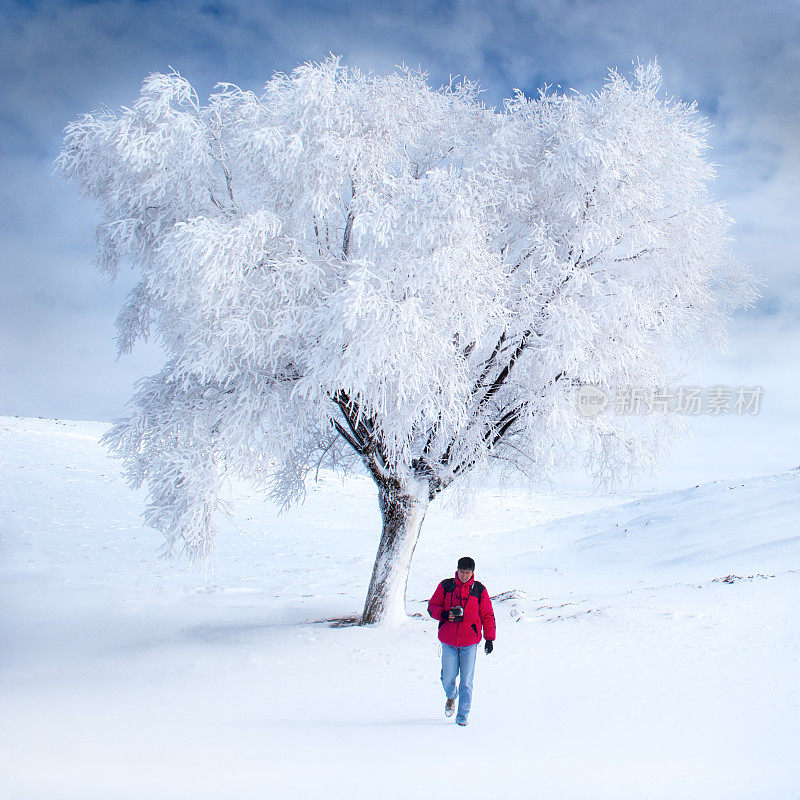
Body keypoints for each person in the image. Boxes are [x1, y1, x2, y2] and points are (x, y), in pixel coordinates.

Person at [427, 556, 496, 726]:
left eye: (467, 572)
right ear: (457, 570)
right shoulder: (446, 586)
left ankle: (462, 716)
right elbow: (432, 607)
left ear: (472, 572)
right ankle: (451, 695)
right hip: (449, 641)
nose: (464, 575)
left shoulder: (479, 590)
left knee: (466, 681)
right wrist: (444, 614)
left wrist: (489, 638)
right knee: (447, 677)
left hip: (469, 643)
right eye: (461, 572)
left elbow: (487, 615)